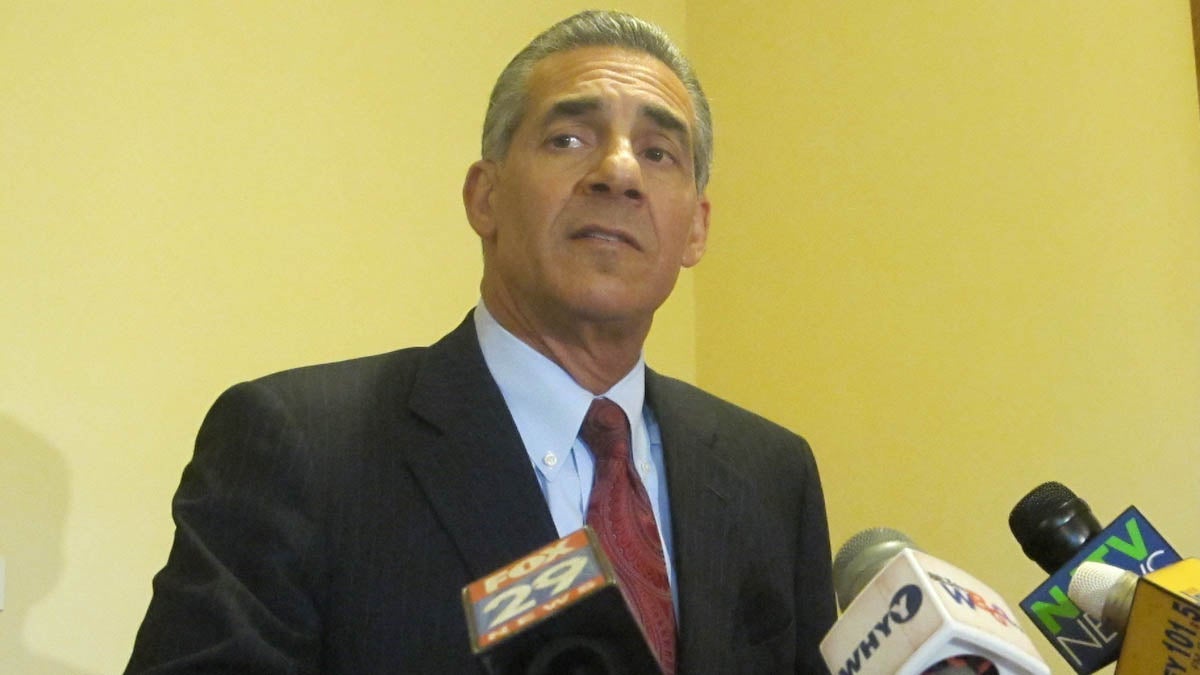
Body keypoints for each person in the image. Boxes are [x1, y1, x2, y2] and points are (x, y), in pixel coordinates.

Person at [125, 10, 836, 674]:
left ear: (696, 229)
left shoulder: (771, 475)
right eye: (569, 139)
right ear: (484, 196)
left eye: (658, 152)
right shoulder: (301, 450)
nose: (618, 172)